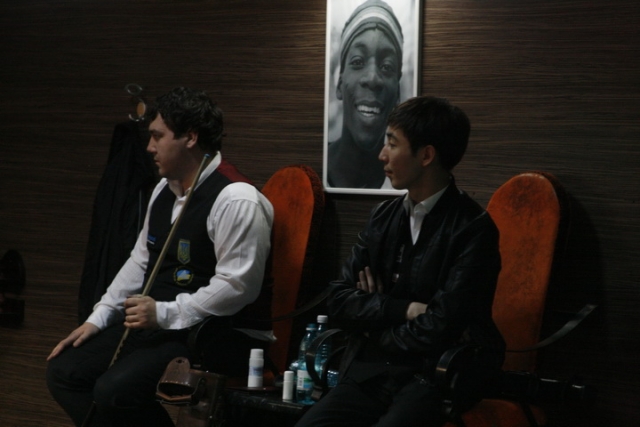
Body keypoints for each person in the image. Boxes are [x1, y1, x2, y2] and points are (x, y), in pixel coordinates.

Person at [46, 87, 274, 427]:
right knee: (64, 371)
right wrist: (99, 317)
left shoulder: (236, 198)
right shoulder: (162, 190)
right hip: (159, 324)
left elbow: (238, 286)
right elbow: (140, 262)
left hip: (214, 333)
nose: (149, 147)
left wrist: (165, 314)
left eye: (157, 136)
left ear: (190, 138)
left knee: (114, 392)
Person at [296, 96, 506, 427]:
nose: (382, 155)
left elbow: (442, 326)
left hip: (434, 376)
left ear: (426, 155)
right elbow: (339, 298)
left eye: (392, 144)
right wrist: (402, 309)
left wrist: (374, 329)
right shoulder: (383, 216)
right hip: (371, 372)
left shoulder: (473, 229)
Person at [327, 0, 404, 189]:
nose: (372, 78)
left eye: (387, 66)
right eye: (357, 62)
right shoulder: (312, 173)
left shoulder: (404, 187)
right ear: (339, 84)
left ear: (398, 93)